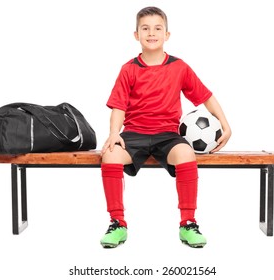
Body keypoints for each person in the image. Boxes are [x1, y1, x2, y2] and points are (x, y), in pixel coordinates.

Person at [99, 6, 231, 248]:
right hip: (134, 134)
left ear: (167, 35)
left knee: (186, 152)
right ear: (136, 35)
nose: (151, 33)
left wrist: (225, 124)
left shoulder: (179, 67)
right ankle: (117, 223)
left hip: (168, 136)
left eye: (157, 28)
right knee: (109, 155)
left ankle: (188, 223)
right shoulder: (128, 69)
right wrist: (114, 134)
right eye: (145, 28)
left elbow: (205, 96)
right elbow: (118, 106)